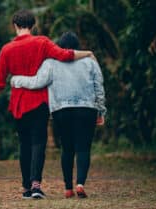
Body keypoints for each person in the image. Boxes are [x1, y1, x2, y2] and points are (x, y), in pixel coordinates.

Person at [0, 10, 95, 199]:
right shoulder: (42, 42)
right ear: (33, 25)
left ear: (15, 26)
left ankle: (27, 187)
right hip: (39, 102)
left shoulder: (7, 49)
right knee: (38, 143)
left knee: (24, 144)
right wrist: (87, 53)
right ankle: (36, 185)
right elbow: (64, 55)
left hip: (18, 105)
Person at [10, 32, 106, 199]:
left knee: (67, 148)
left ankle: (68, 188)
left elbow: (37, 82)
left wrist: (17, 80)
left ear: (59, 47)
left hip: (61, 111)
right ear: (77, 47)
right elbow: (99, 87)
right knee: (83, 148)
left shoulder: (51, 63)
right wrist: (101, 110)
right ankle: (80, 184)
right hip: (86, 109)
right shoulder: (90, 62)